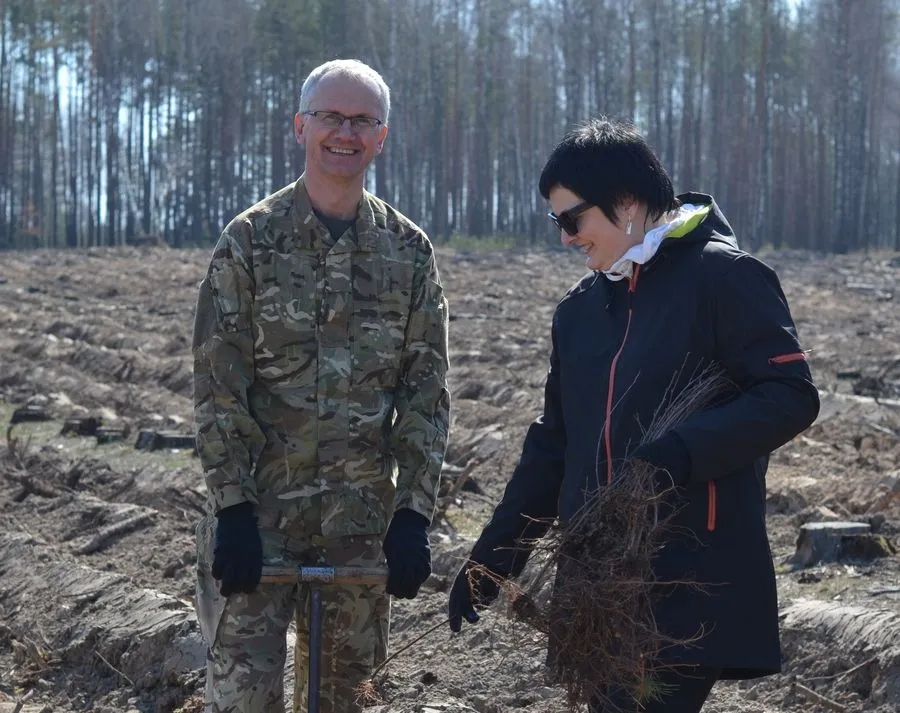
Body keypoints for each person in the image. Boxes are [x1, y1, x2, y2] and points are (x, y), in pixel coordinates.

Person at [447, 117, 819, 712]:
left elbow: (790, 394)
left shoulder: (724, 276)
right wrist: (494, 556)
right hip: (598, 584)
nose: (566, 237)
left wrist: (682, 452)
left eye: (574, 219)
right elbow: (554, 445)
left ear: (626, 202)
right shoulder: (579, 311)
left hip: (687, 578)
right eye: (556, 223)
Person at [192, 59, 450, 713]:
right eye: (331, 117)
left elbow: (426, 391)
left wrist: (413, 514)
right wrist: (231, 509)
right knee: (242, 701)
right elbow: (220, 385)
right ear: (301, 126)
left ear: (381, 137)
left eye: (362, 120)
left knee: (349, 702)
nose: (346, 132)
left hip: (359, 530)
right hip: (258, 523)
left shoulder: (408, 252)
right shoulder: (250, 242)